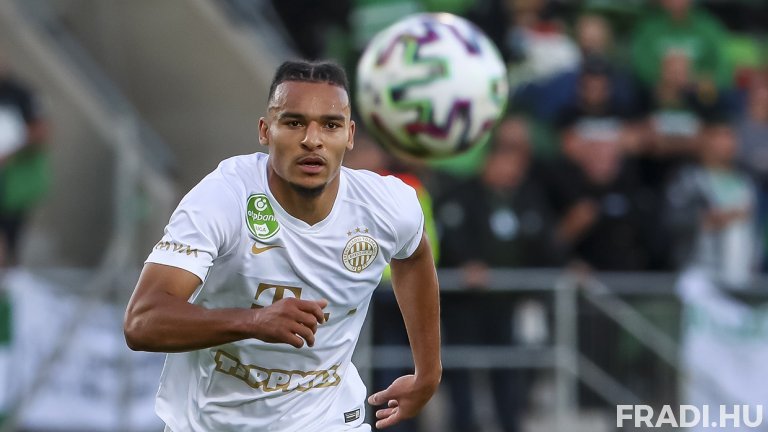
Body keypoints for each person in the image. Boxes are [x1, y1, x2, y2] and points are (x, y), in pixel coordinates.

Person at [123, 60, 442, 432]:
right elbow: (142, 321)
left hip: (328, 421)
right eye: (294, 123)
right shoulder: (222, 198)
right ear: (265, 131)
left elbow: (414, 255)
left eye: (330, 125)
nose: (312, 139)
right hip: (212, 424)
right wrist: (253, 321)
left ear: (349, 135)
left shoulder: (387, 205)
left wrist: (428, 372)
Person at [0, 56, 50, 266]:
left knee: (10, 232)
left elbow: (41, 130)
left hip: (12, 180)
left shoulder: (21, 94)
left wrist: (11, 152)